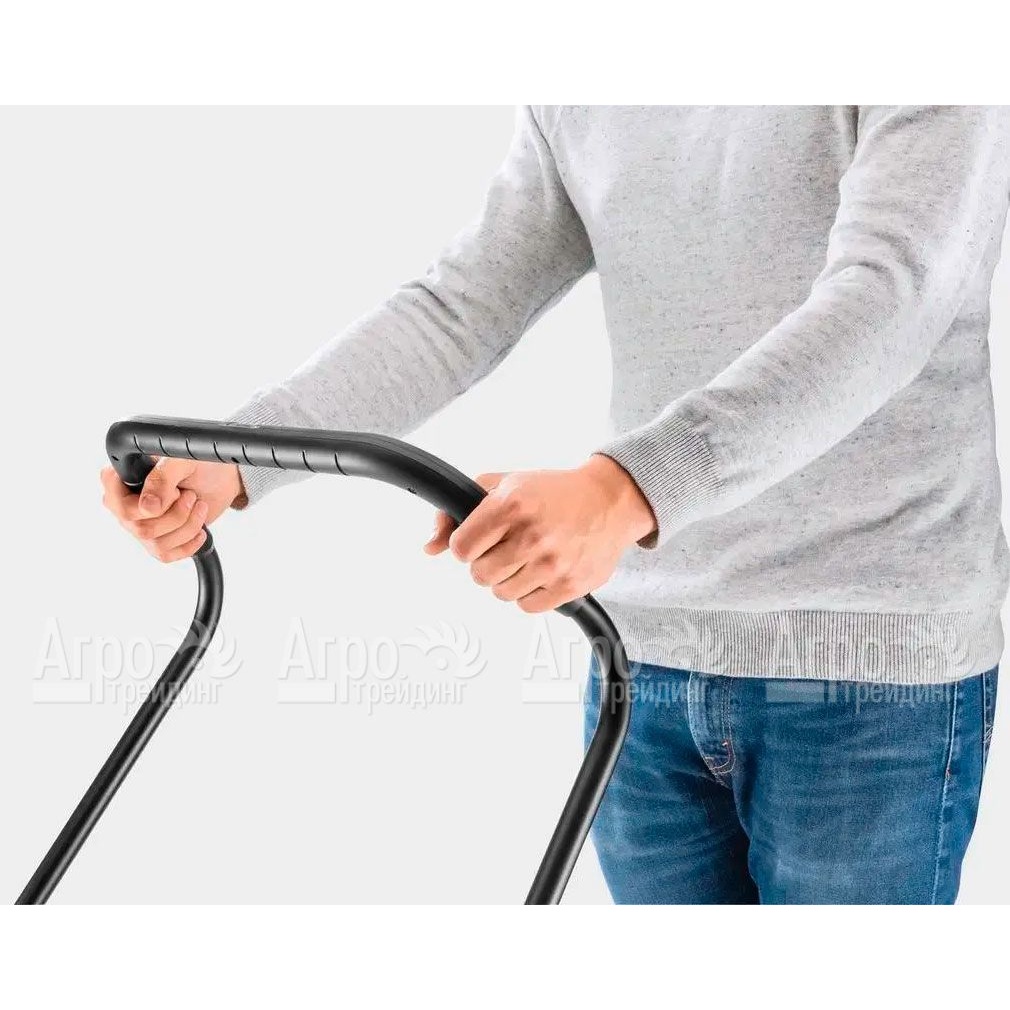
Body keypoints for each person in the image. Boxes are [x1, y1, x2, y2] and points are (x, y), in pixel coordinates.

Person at [101, 106, 1010, 904]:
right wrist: (240, 454)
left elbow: (893, 294)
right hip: (643, 661)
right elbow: (461, 305)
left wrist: (625, 489)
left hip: (872, 671)